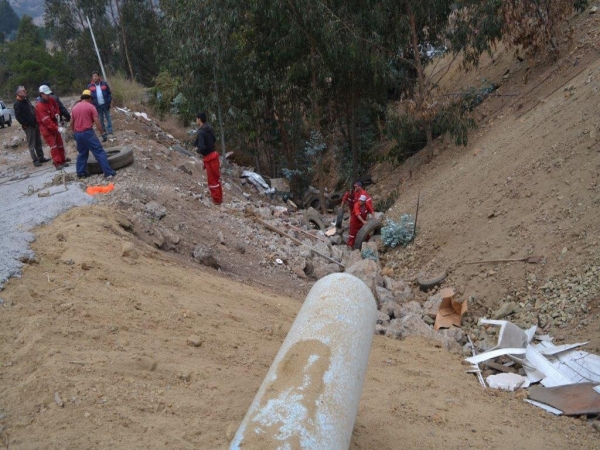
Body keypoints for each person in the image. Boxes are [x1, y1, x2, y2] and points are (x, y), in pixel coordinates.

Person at [70, 89, 116, 179]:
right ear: (90, 98)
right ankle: (108, 172)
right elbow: (97, 122)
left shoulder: (75, 107)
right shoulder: (91, 107)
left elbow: (71, 122)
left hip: (78, 133)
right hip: (87, 133)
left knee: (82, 153)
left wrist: (74, 133)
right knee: (99, 152)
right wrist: (102, 133)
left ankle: (80, 173)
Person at [13, 86, 51, 167]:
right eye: (23, 91)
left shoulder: (26, 100)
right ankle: (35, 160)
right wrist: (26, 124)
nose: (25, 91)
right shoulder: (17, 103)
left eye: (25, 90)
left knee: (38, 142)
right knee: (31, 144)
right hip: (29, 126)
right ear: (19, 93)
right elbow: (18, 116)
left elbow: (32, 109)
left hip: (35, 123)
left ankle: (41, 157)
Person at [35, 85, 69, 170]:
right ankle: (57, 163)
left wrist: (57, 113)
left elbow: (56, 106)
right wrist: (57, 128)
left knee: (60, 144)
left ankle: (63, 160)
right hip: (46, 129)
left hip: (54, 124)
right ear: (41, 94)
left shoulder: (51, 99)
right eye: (46, 94)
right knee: (54, 146)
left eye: (48, 94)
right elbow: (46, 121)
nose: (48, 96)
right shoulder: (39, 106)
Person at [194, 112, 222, 205]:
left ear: (199, 119)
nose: (196, 121)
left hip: (209, 158)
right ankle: (219, 198)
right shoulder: (209, 128)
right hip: (215, 155)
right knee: (216, 178)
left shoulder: (201, 132)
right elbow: (214, 139)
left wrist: (199, 150)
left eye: (196, 119)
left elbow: (201, 147)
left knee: (212, 180)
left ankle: (216, 200)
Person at [87, 71, 113, 138]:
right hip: (97, 106)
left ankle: (110, 130)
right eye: (93, 76)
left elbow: (109, 93)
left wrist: (109, 101)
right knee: (100, 119)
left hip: (105, 104)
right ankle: (103, 131)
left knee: (108, 118)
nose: (94, 77)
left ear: (98, 77)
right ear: (92, 78)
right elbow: (88, 97)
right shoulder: (90, 86)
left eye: (96, 76)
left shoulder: (104, 84)